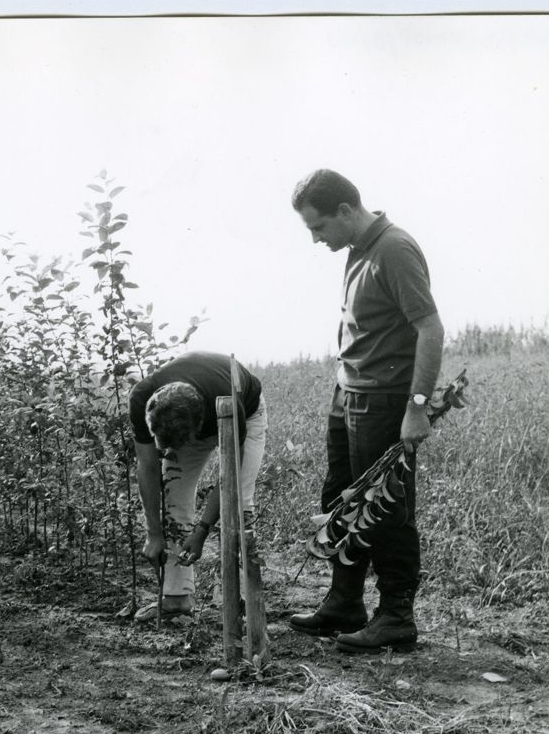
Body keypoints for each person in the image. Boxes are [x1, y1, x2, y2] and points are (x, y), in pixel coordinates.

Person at [289, 170, 444, 652]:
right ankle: (344, 602)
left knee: (386, 508)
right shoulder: (356, 250)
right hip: (348, 396)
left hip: (382, 403)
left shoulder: (394, 248)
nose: (315, 239)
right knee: (340, 500)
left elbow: (431, 329)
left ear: (345, 211)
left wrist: (416, 408)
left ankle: (396, 616)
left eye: (318, 227)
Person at [129, 351, 267, 622]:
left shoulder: (229, 404)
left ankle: (238, 601)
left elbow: (230, 479)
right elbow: (147, 467)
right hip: (193, 412)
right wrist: (154, 533)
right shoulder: (142, 399)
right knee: (173, 495)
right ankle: (177, 599)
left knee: (240, 506)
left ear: (197, 428)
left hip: (243, 411)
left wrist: (202, 530)